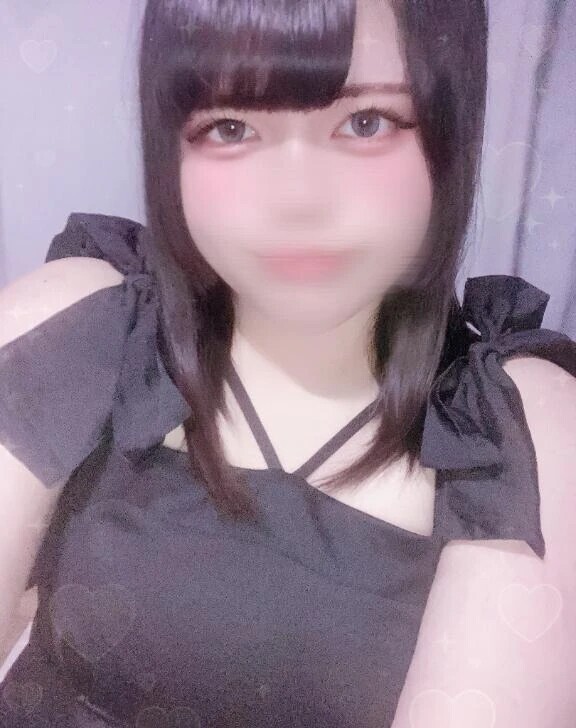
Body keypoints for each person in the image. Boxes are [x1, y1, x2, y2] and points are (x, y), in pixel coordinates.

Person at [1, 0, 575, 726]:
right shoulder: (88, 314)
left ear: (447, 132)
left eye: (365, 122)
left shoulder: (518, 432)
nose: (297, 200)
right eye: (230, 127)